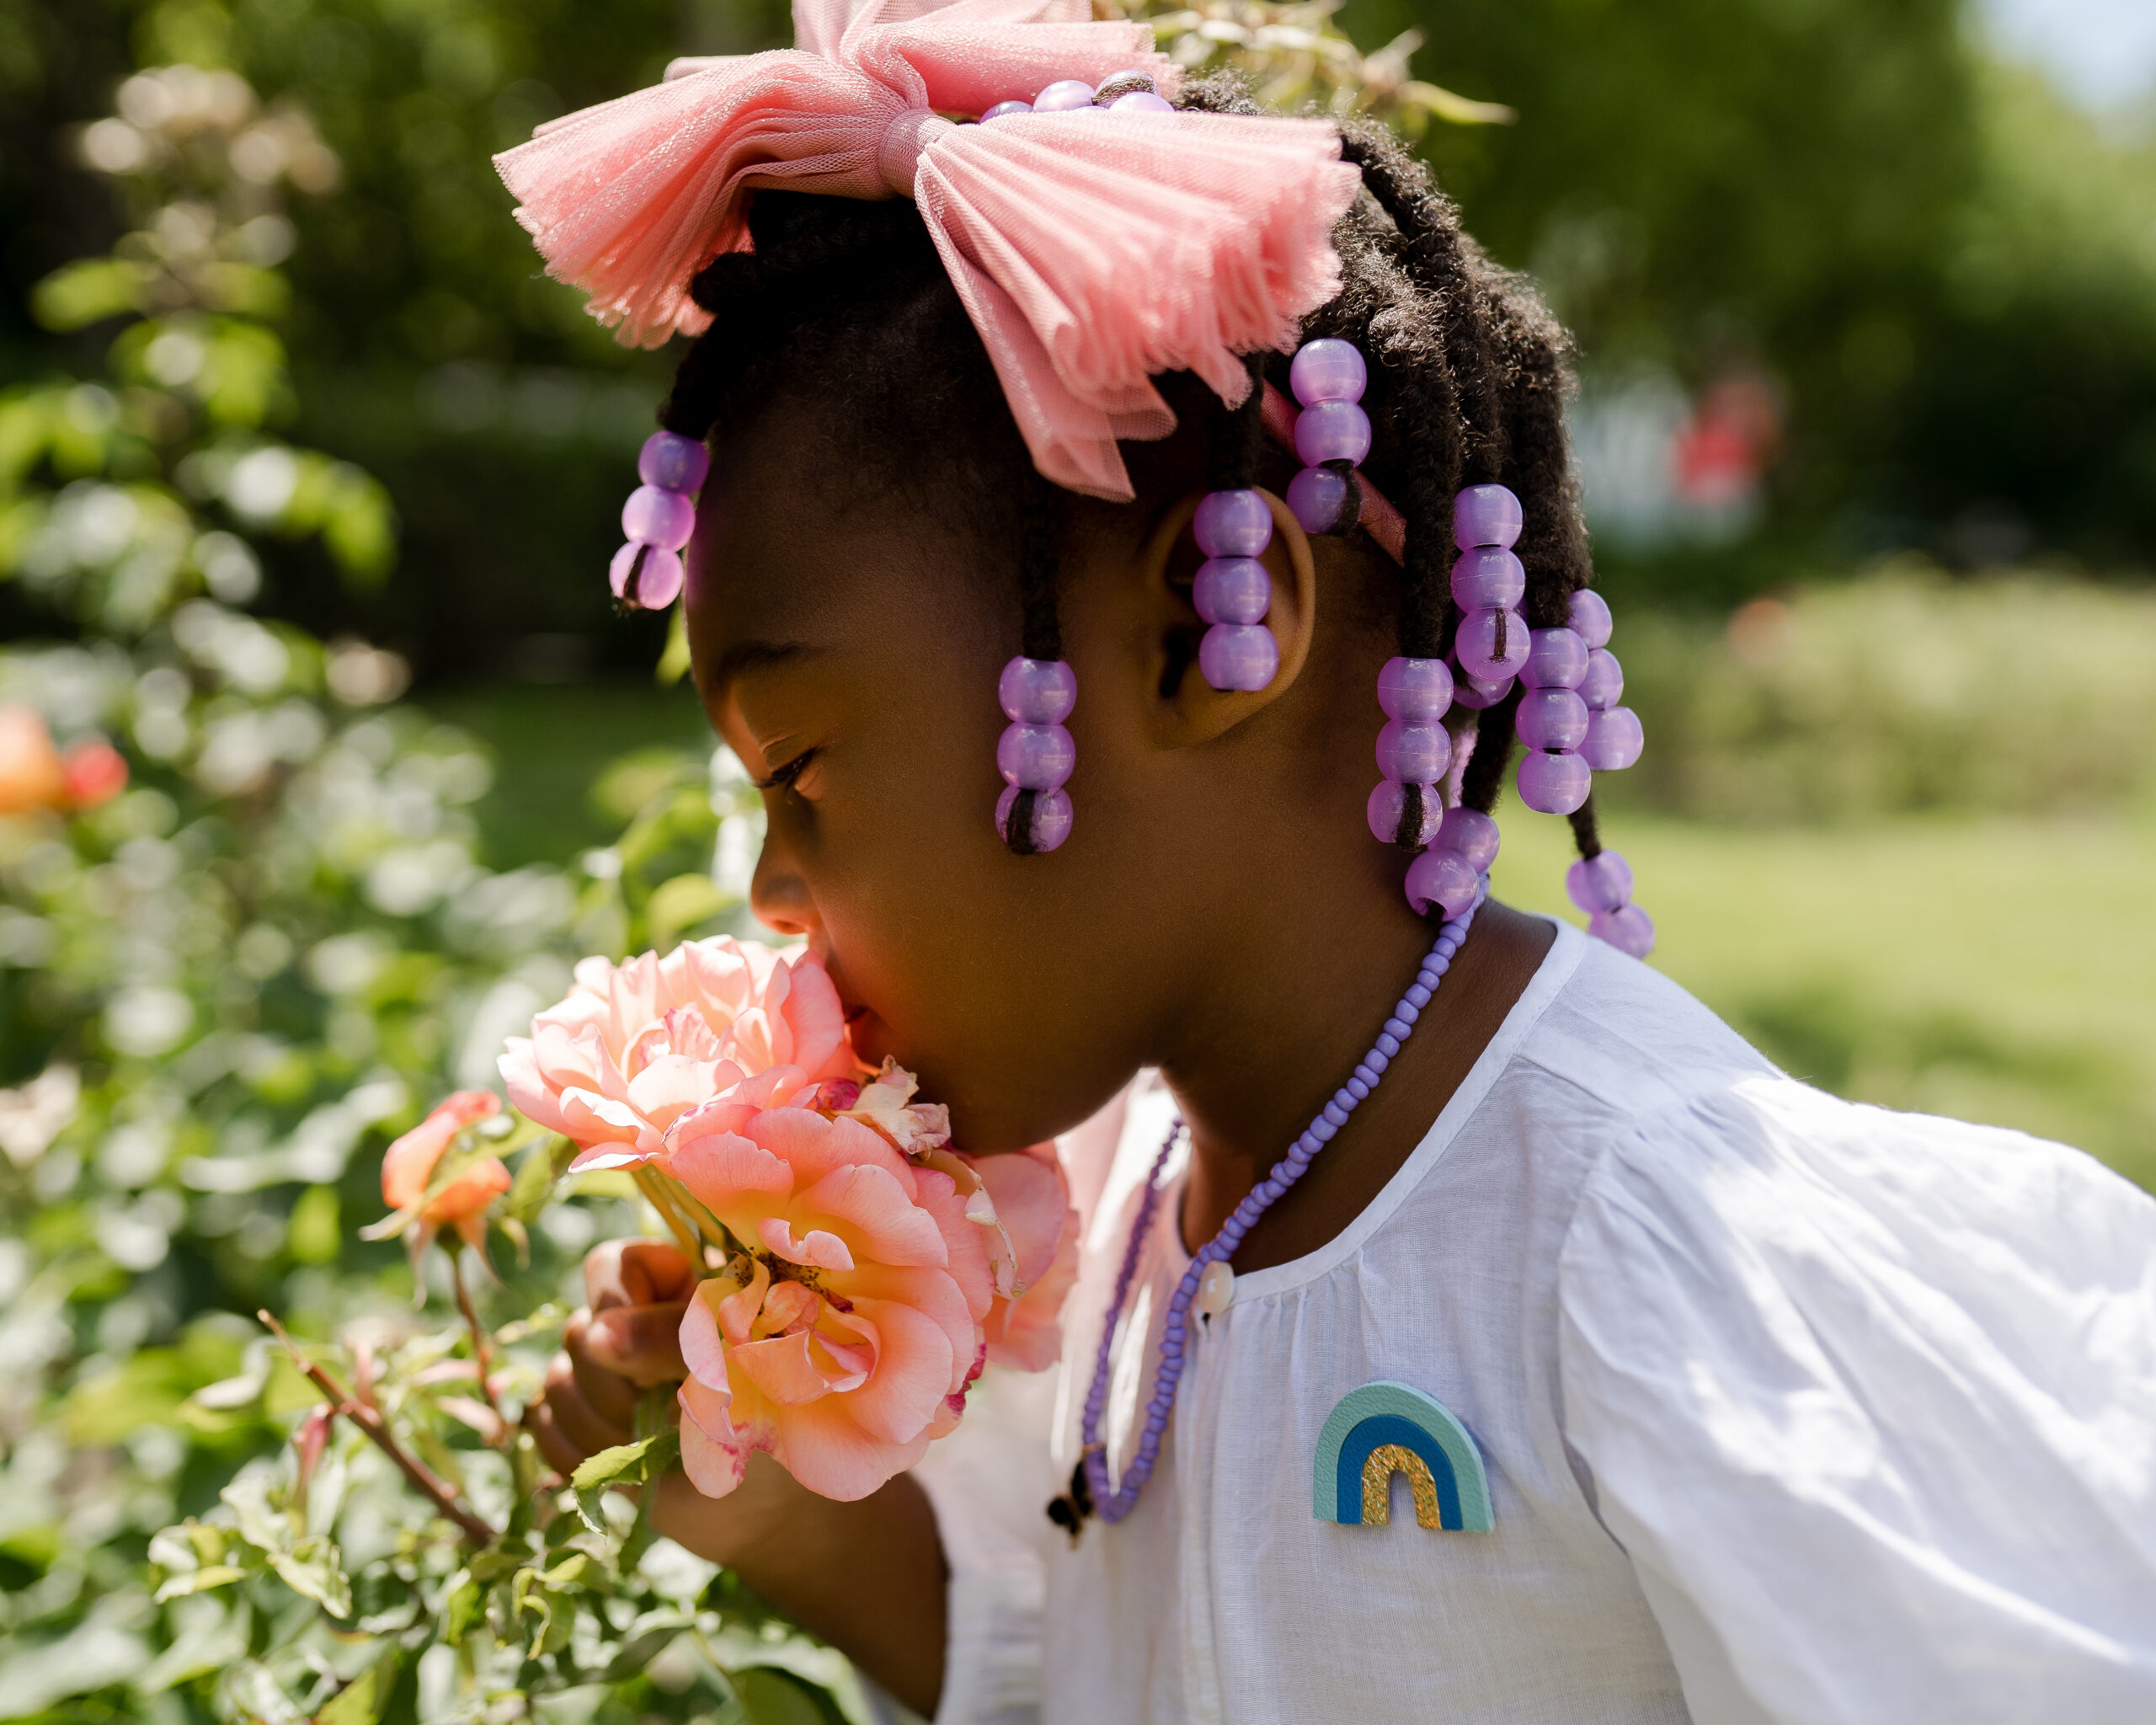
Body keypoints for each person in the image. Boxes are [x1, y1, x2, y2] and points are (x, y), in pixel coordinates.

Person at [509, 3, 2156, 1720]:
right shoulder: (1134, 1203)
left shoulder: (1633, 1252)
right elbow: (1076, 1672)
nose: (772, 888)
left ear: (1201, 646)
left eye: (808, 770)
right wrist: (766, 1497)